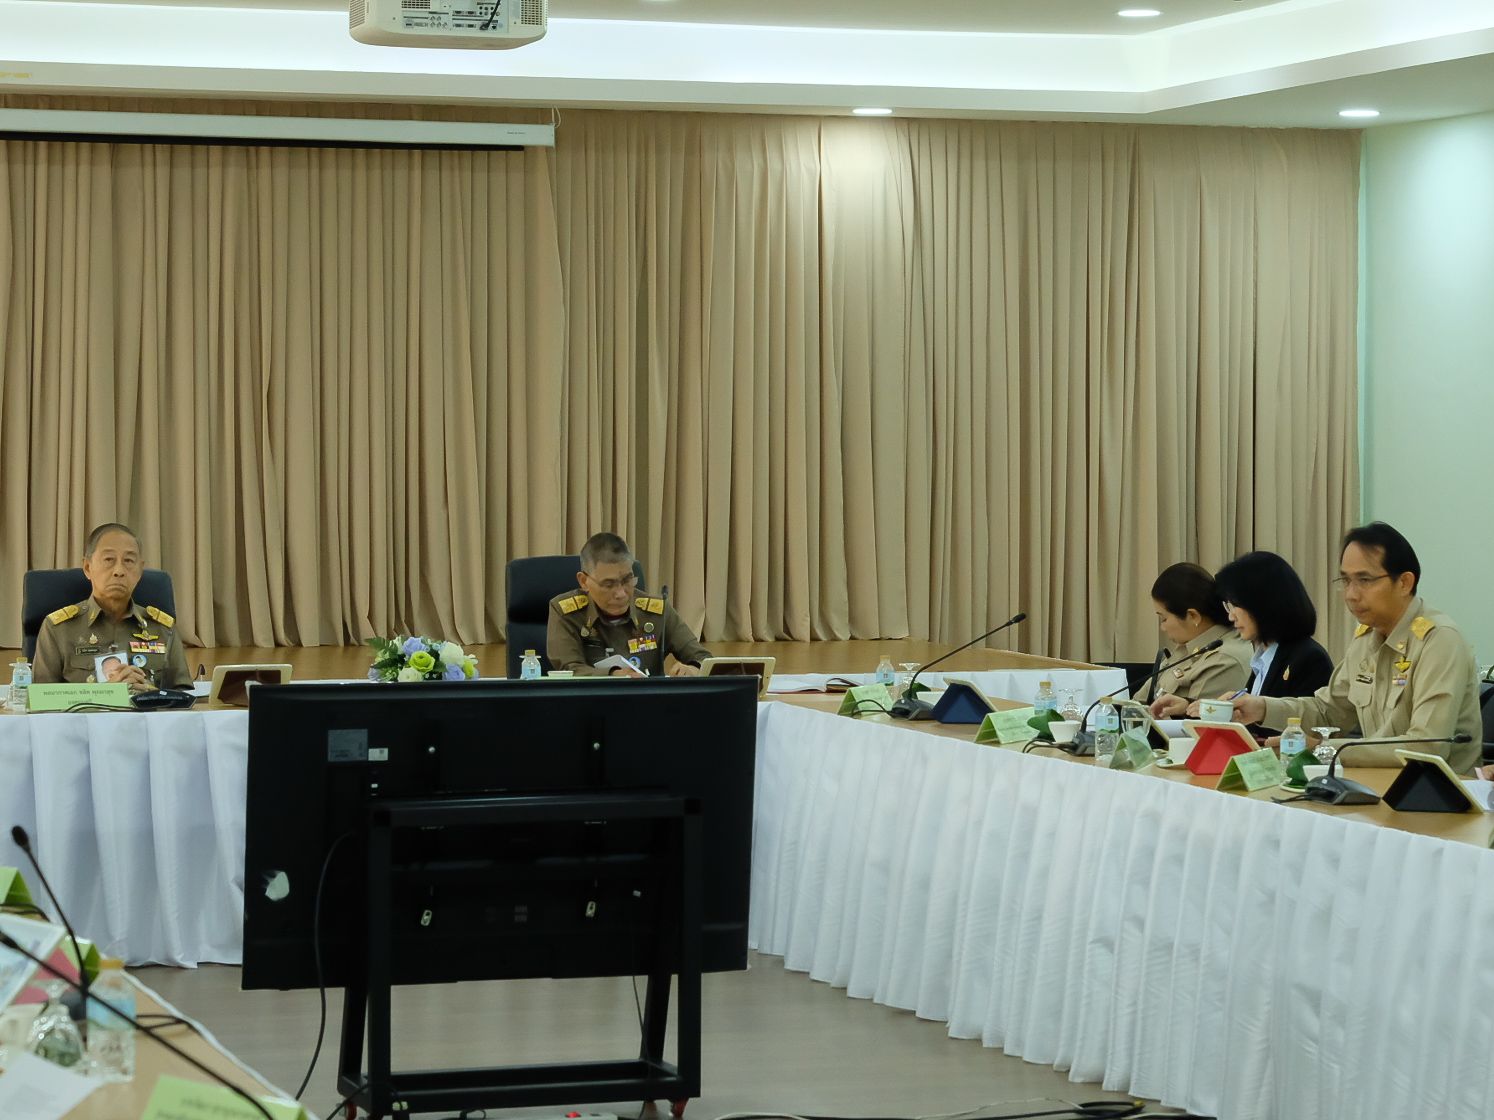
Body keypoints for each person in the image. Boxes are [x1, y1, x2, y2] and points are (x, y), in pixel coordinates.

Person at [1230, 522, 1481, 772]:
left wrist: (1326, 750)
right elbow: (1328, 712)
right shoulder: (1365, 640)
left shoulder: (1439, 641)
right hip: (1375, 785)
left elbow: (1427, 746)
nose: (1351, 594)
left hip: (1437, 791)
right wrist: (1262, 708)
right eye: (1346, 580)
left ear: (1404, 583)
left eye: (1364, 580)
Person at [1158, 551, 1334, 727]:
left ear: (1263, 604)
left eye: (1235, 605)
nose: (1231, 616)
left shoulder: (1309, 658)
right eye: (1228, 606)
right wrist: (1188, 708)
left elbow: (1300, 730)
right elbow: (1245, 719)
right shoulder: (1263, 657)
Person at [32, 522, 191, 690]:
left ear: (140, 570)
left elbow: (183, 695)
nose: (119, 571)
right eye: (109, 559)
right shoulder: (59, 629)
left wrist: (149, 694)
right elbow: (41, 698)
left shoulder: (162, 629)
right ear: (87, 567)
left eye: (128, 560)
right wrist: (107, 692)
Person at [546, 532, 711, 677]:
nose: (621, 593)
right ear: (584, 581)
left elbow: (704, 659)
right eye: (608, 584)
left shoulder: (656, 611)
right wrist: (613, 675)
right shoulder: (565, 611)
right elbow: (569, 670)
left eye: (627, 580)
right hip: (589, 701)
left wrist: (694, 669)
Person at [1144, 562, 1252, 714]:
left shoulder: (1224, 660)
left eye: (1164, 619)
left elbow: (1194, 722)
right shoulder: (1186, 648)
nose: (1163, 627)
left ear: (1193, 616)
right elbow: (1138, 701)